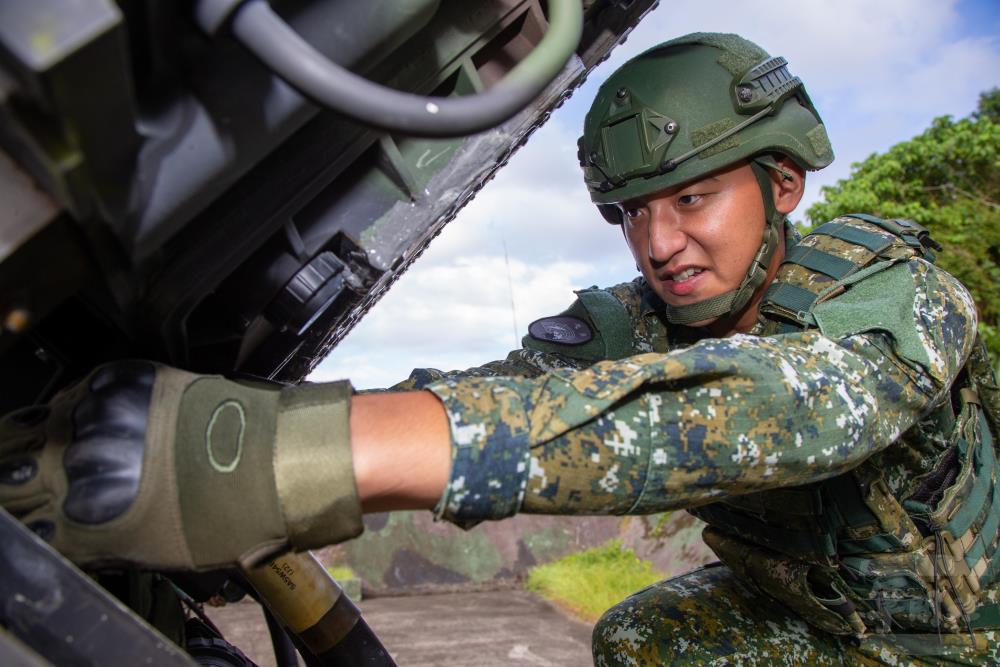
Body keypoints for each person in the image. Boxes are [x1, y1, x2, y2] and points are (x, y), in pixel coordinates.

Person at [1, 32, 998, 665]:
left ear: (780, 184)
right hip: (806, 619)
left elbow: (772, 413)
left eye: (691, 198)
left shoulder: (895, 296)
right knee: (642, 637)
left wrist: (278, 462)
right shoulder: (634, 319)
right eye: (631, 213)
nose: (658, 244)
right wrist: (285, 460)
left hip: (959, 641)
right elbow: (501, 393)